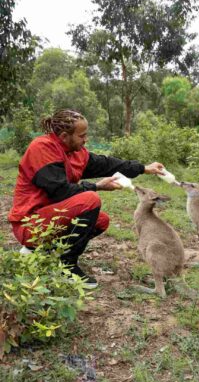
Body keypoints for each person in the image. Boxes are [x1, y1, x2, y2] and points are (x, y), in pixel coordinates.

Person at [8, 109, 164, 286]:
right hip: (29, 224)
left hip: (50, 219)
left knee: (101, 221)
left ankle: (40, 253)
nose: (85, 139)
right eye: (82, 135)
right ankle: (66, 266)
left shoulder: (75, 153)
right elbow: (61, 191)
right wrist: (97, 186)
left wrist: (144, 168)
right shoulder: (42, 148)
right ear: (65, 136)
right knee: (90, 199)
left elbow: (106, 164)